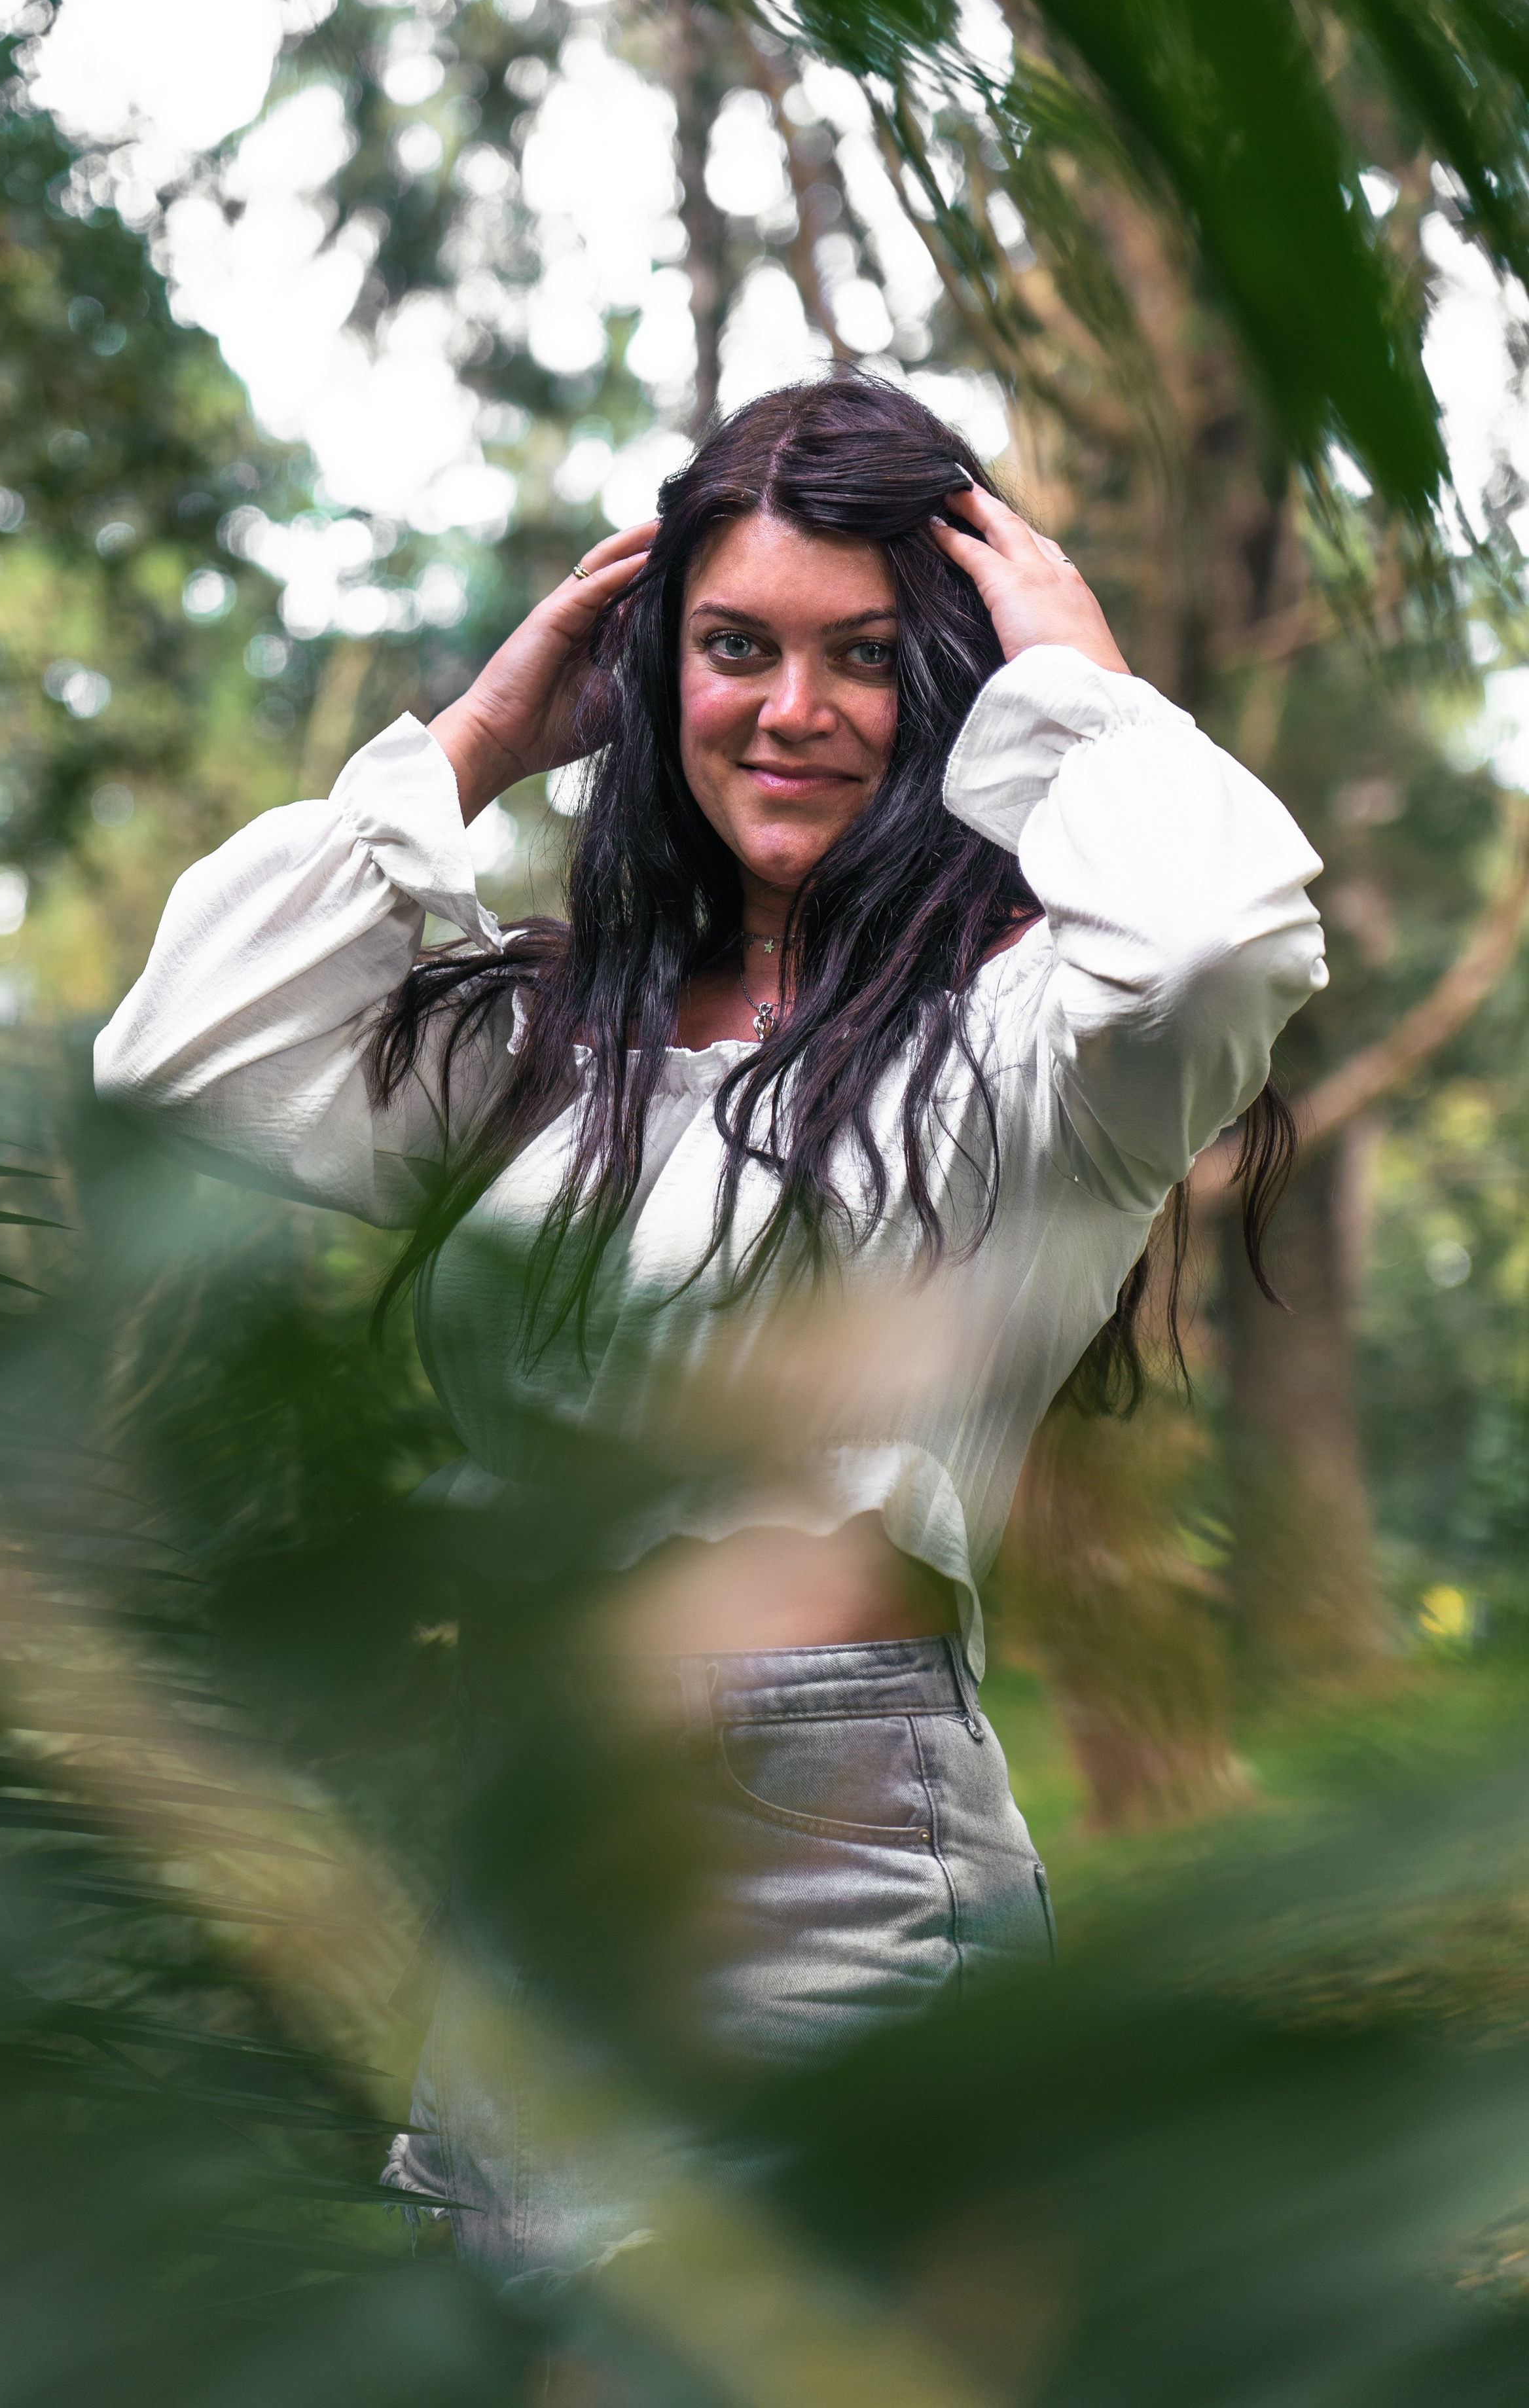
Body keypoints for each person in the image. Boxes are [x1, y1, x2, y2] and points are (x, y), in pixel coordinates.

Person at [96, 372, 1326, 2279]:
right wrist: (483, 736)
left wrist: (1079, 689)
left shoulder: (1032, 1049)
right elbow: (178, 1065)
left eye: (864, 655)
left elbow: (1216, 943)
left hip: (829, 1847)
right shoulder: (546, 1044)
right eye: (735, 645)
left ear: (947, 684)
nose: (791, 708)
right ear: (653, 673)